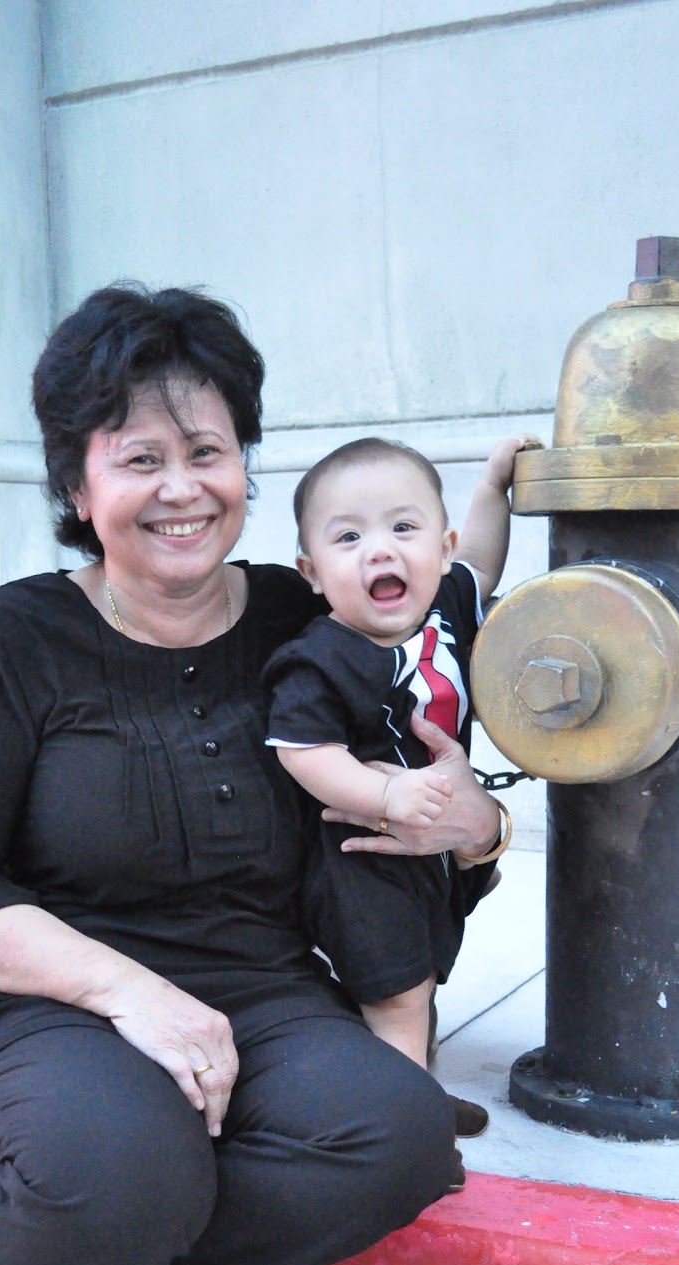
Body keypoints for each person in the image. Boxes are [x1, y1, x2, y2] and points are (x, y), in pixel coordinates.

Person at [0, 284, 508, 1265]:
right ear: (76, 485)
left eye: (208, 451)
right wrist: (132, 994)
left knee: (401, 1136)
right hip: (43, 1001)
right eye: (140, 458)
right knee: (125, 1166)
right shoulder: (6, 639)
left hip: (262, 988)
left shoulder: (308, 618)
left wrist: (479, 823)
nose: (182, 488)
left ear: (245, 466)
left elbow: (424, 758)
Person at [262, 437, 526, 1149]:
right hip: (363, 858)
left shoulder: (448, 606)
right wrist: (386, 798)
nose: (380, 549)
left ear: (440, 548)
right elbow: (303, 751)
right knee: (398, 998)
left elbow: (483, 562)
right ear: (312, 572)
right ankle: (408, 1137)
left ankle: (412, 1093)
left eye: (403, 528)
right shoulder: (317, 660)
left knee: (426, 973)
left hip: (432, 849)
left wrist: (493, 486)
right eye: (348, 537)